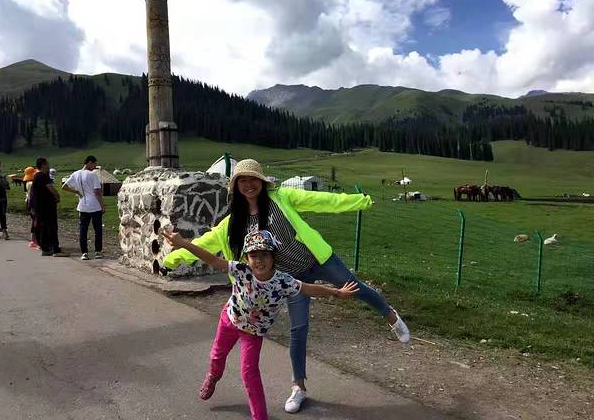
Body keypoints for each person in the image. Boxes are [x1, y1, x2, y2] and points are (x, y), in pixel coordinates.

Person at [163, 159, 410, 414]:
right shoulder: (233, 223)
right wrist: (173, 258)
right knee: (298, 328)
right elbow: (206, 245)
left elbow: (322, 200)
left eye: (253, 179)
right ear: (235, 187)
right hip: (292, 277)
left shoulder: (281, 198)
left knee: (355, 287)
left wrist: (359, 201)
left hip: (318, 260)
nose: (248, 185)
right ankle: (298, 387)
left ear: (261, 181)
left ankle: (390, 315)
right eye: (242, 181)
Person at [164, 229, 359, 420]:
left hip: (253, 333)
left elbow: (308, 289)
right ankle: (214, 376)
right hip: (230, 320)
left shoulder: (283, 282)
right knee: (217, 356)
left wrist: (337, 292)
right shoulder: (241, 270)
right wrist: (184, 244)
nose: (259, 260)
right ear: (246, 258)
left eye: (264, 255)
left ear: (273, 257)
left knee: (249, 374)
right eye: (253, 255)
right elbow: (213, 260)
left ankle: (260, 416)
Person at [62, 155, 104, 261]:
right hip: (94, 205)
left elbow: (64, 187)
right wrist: (102, 206)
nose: (95, 166)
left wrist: (76, 191)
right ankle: (98, 251)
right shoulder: (93, 175)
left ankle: (84, 253)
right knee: (97, 229)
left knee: (83, 230)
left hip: (82, 206)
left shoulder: (75, 174)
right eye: (94, 164)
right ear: (89, 162)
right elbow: (97, 192)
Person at [31, 157, 61, 257]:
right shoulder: (42, 176)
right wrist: (57, 195)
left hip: (40, 207)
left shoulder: (37, 176)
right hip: (46, 207)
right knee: (50, 227)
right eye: (47, 164)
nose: (48, 166)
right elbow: (50, 187)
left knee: (44, 226)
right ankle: (53, 248)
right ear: (43, 165)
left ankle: (46, 247)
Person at [23, 166, 39, 248]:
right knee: (36, 222)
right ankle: (34, 240)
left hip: (30, 203)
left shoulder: (27, 183)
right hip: (33, 204)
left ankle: (34, 240)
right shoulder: (31, 184)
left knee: (35, 221)